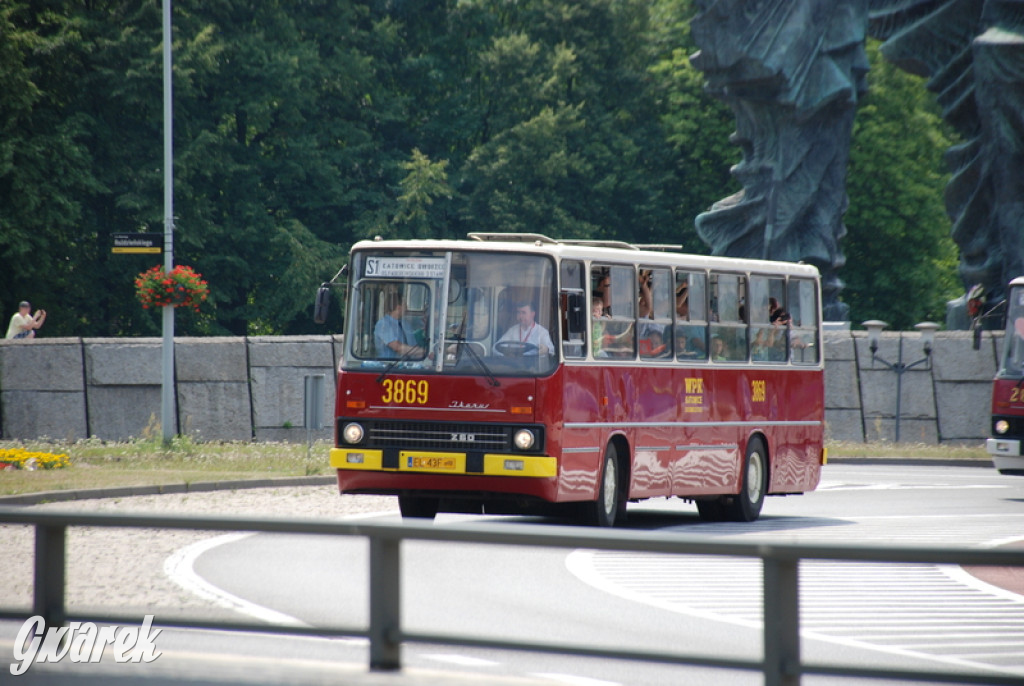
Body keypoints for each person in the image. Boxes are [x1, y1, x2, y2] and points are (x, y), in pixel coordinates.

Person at [374, 292, 421, 359]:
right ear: (399, 307)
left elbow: (414, 347)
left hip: (408, 365)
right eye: (405, 305)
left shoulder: (405, 324)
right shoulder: (383, 324)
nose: (407, 308)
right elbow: (397, 347)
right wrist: (423, 351)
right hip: (389, 366)